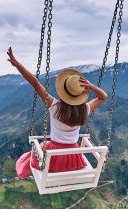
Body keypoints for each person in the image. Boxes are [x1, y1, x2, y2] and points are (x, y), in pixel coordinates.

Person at [6, 47, 107, 179]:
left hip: (54, 155)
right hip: (73, 158)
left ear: (63, 93)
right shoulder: (85, 109)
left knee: (32, 154)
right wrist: (92, 86)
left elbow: (35, 83)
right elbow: (102, 97)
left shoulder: (54, 106)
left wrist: (17, 65)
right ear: (81, 95)